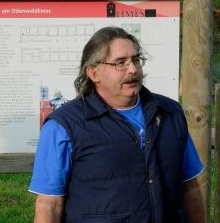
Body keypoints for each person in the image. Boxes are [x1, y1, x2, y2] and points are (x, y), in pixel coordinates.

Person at [28, 27, 204, 223]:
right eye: (120, 63)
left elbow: (191, 188)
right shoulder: (63, 126)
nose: (133, 70)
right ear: (94, 73)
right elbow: (49, 204)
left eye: (136, 60)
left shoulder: (170, 113)